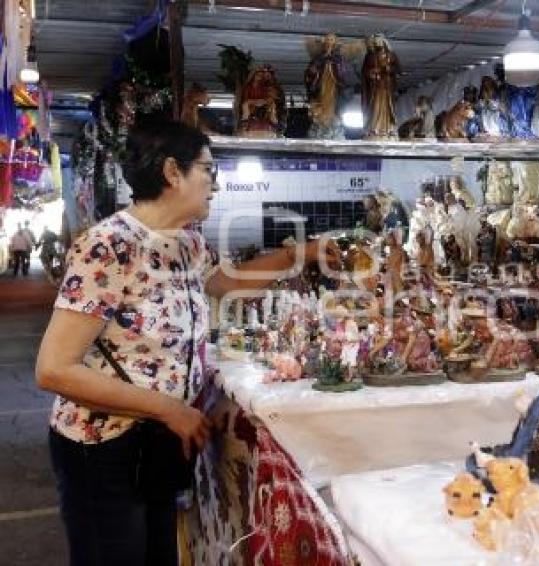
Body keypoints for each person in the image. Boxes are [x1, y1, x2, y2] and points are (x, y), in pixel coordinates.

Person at [35, 119, 340, 565]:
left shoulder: (186, 242)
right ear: (173, 172)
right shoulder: (109, 248)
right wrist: (170, 408)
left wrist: (302, 253)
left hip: (157, 440)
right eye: (207, 170)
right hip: (102, 447)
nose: (215, 185)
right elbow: (54, 369)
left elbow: (229, 281)